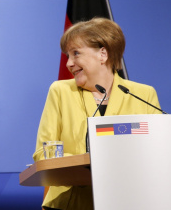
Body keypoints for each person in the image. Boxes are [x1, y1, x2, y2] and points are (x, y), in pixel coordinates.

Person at [33, 18, 162, 210]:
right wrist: (86, 163)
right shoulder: (60, 91)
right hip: (71, 203)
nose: (69, 63)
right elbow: (44, 153)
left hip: (128, 203)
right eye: (68, 55)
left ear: (103, 54)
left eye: (76, 53)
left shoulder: (143, 94)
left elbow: (159, 151)